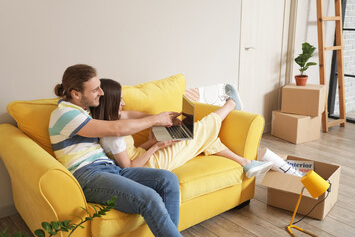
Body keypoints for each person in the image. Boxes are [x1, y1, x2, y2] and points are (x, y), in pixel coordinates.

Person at [49, 64, 182, 237]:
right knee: (150, 198)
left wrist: (163, 118)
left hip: (111, 169)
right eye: (96, 89)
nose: (101, 93)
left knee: (168, 180)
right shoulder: (64, 115)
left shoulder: (85, 110)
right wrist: (155, 119)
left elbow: (127, 115)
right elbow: (117, 128)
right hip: (87, 175)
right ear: (76, 93)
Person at [91, 78, 273, 177]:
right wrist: (155, 146)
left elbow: (135, 138)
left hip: (146, 155)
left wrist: (162, 123)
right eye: (120, 100)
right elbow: (129, 168)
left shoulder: (114, 118)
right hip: (152, 165)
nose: (124, 102)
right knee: (200, 130)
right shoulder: (111, 135)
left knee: (197, 135)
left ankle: (245, 163)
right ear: (110, 103)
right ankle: (231, 104)